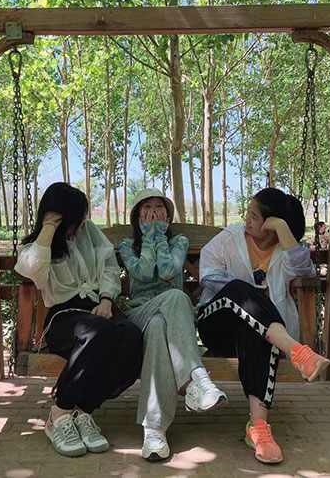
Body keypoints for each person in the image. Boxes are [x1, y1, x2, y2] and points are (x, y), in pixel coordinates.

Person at [197, 187, 330, 464]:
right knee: (239, 289)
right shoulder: (230, 238)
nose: (246, 220)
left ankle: (258, 427)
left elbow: (305, 270)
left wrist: (282, 229)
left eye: (254, 217)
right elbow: (207, 275)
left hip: (261, 332)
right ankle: (296, 351)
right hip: (217, 324)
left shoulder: (283, 248)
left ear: (271, 224)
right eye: (247, 213)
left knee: (257, 331)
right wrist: (251, 294)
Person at [15, 182, 143, 458]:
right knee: (98, 332)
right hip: (63, 317)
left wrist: (106, 300)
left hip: (99, 307)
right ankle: (59, 414)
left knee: (131, 336)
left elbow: (109, 267)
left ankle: (83, 411)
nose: (83, 222)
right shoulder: (36, 246)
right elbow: (30, 269)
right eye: (77, 216)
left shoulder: (89, 232)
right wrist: (49, 227)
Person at [118, 188, 227, 461]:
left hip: (167, 320)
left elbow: (168, 271)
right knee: (176, 297)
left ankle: (154, 430)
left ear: (168, 216)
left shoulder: (179, 241)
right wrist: (150, 237)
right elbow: (144, 273)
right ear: (137, 216)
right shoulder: (127, 246)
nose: (153, 212)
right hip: (139, 313)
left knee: (158, 326)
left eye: (159, 207)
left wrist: (160, 238)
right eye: (146, 208)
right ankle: (195, 380)